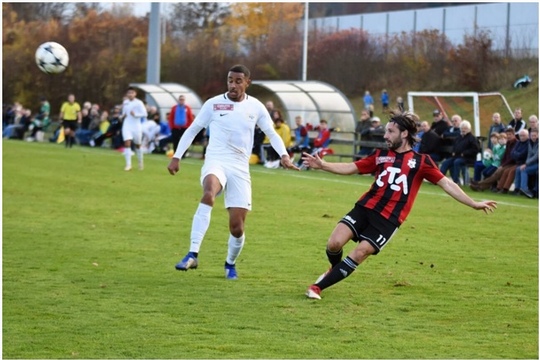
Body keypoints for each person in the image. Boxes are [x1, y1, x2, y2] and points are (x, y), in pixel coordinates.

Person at [301, 110, 497, 300]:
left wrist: (473, 204)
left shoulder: (422, 161)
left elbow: (447, 183)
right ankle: (333, 270)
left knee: (360, 252)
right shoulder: (380, 155)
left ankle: (317, 287)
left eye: (390, 132)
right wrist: (324, 165)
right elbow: (352, 167)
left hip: (388, 220)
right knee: (333, 244)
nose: (385, 135)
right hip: (364, 208)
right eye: (385, 131)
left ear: (404, 134)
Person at [167, 64, 299, 280]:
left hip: (239, 167)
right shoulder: (214, 104)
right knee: (209, 192)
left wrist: (284, 155)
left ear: (248, 82)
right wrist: (176, 156)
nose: (233, 85)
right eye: (230, 80)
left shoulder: (256, 107)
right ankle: (193, 253)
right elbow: (192, 130)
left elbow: (272, 134)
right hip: (216, 160)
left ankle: (230, 264)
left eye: (238, 81)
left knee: (237, 227)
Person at [470, 128, 517, 192]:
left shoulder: (516, 143)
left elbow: (512, 157)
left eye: (510, 134)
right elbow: (505, 156)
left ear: (514, 135)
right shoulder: (508, 143)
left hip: (512, 163)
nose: (508, 136)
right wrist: (502, 164)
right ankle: (480, 185)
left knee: (495, 174)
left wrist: (503, 165)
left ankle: (479, 184)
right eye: (507, 134)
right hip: (505, 163)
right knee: (494, 173)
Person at [438, 120, 479, 185]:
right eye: (462, 128)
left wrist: (465, 153)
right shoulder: (459, 137)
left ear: (469, 129)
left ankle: (455, 181)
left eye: (465, 128)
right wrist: (453, 152)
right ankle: (439, 179)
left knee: (457, 162)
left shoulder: (472, 138)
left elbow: (475, 149)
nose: (463, 130)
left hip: (467, 158)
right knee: (445, 162)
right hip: (457, 156)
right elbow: (455, 146)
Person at [121, 87, 148, 171]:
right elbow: (123, 113)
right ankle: (128, 164)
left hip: (136, 126)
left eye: (132, 93)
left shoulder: (139, 103)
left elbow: (145, 114)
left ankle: (140, 162)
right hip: (127, 125)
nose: (130, 94)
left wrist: (135, 114)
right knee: (127, 142)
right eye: (129, 93)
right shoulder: (125, 102)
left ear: (135, 94)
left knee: (138, 145)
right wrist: (122, 116)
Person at [515, 128, 538, 198]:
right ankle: (517, 189)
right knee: (519, 169)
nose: (533, 137)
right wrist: (525, 164)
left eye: (535, 135)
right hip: (534, 163)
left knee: (524, 170)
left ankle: (525, 189)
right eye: (532, 136)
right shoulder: (530, 143)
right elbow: (529, 154)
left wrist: (526, 164)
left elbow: (537, 156)